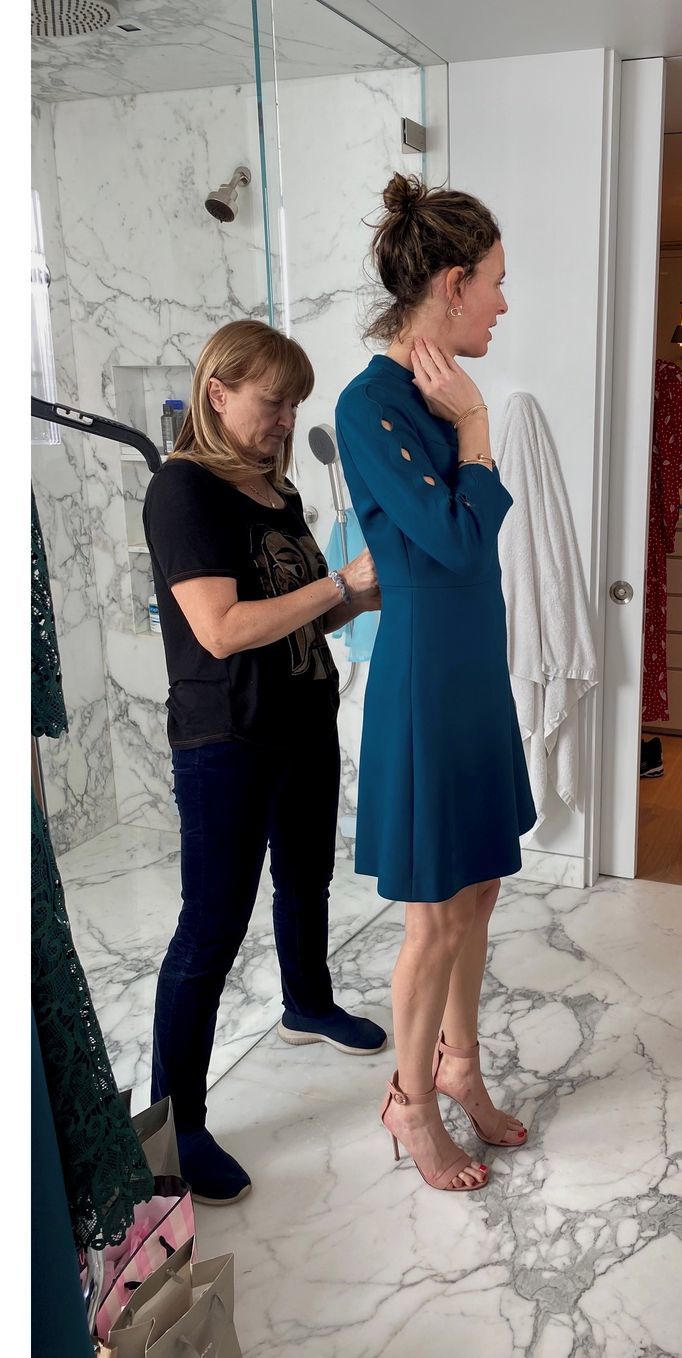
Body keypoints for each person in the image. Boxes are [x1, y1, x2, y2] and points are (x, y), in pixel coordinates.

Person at [143, 319, 387, 1205]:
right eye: (273, 402)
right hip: (226, 740)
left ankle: (306, 1003)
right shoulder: (184, 491)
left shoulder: (274, 491)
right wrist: (339, 585)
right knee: (210, 930)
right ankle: (176, 1129)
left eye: (294, 405)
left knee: (306, 878)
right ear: (218, 391)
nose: (286, 420)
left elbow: (302, 614)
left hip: (301, 719)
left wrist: (362, 595)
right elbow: (221, 628)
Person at [335, 174, 536, 1193]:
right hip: (424, 683)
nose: (503, 302)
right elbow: (459, 538)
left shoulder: (432, 393)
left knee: (481, 887)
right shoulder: (371, 404)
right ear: (452, 285)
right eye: (494, 281)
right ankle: (410, 1103)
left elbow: (466, 539)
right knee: (435, 915)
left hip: (473, 672)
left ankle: (460, 1068)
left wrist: (465, 422)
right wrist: (475, 426)